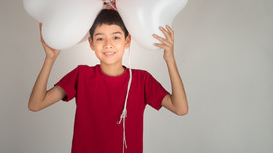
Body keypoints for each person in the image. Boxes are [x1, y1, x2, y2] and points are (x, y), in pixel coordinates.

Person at [28, 9, 188, 153]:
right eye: (100, 38)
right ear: (91, 43)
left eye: (116, 37)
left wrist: (170, 59)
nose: (108, 44)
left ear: (127, 41)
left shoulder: (141, 80)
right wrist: (49, 59)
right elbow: (36, 104)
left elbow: (180, 108)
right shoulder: (81, 75)